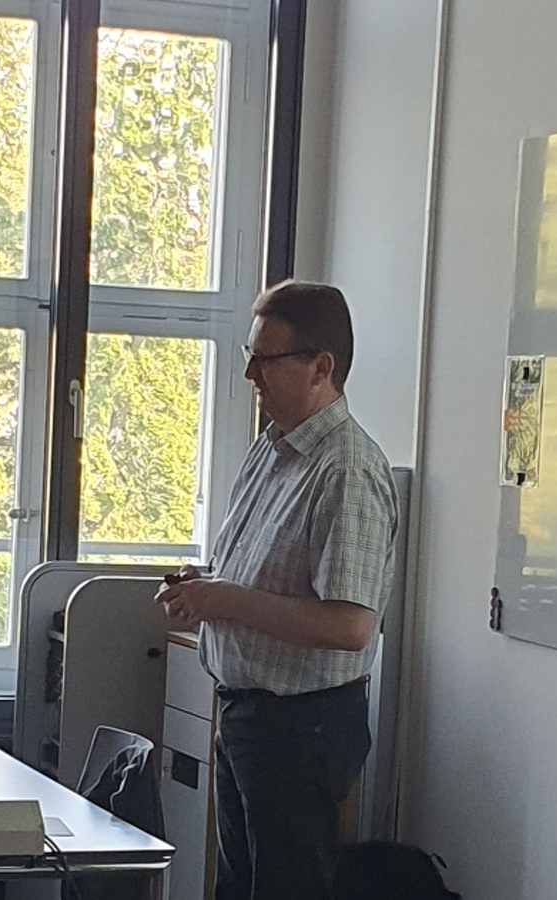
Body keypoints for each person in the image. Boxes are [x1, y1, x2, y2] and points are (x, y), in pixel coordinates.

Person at [155, 280, 398, 900]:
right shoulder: (273, 449)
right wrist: (206, 587)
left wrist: (224, 600)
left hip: (300, 727)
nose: (250, 375)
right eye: (250, 355)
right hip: (250, 715)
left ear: (321, 368)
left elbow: (349, 625)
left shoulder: (346, 468)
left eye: (266, 360)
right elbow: (260, 574)